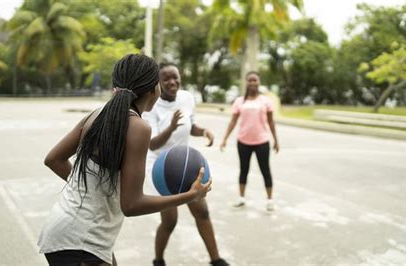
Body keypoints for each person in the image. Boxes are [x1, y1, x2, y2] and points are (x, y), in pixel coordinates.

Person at [38, 54, 212, 266]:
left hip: (66, 230)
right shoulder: (139, 127)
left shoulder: (96, 114)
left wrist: (90, 187)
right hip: (82, 240)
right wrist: (190, 196)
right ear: (152, 89)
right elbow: (131, 205)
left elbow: (53, 159)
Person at [143, 63, 229, 266]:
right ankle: (158, 260)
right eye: (166, 79)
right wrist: (171, 127)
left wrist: (203, 131)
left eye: (175, 77)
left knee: (202, 211)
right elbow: (153, 145)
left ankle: (216, 260)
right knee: (170, 221)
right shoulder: (151, 106)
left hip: (186, 163)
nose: (172, 82)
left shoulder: (186, 98)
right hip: (162, 167)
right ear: (158, 83)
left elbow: (191, 126)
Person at [220, 71, 279, 212]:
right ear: (246, 83)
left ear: (259, 82)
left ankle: (270, 201)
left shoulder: (265, 101)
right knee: (243, 170)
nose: (252, 82)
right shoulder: (240, 101)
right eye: (250, 80)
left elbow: (271, 122)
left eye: (255, 80)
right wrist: (225, 139)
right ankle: (241, 199)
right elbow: (233, 121)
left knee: (265, 170)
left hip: (262, 142)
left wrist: (276, 140)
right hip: (243, 142)